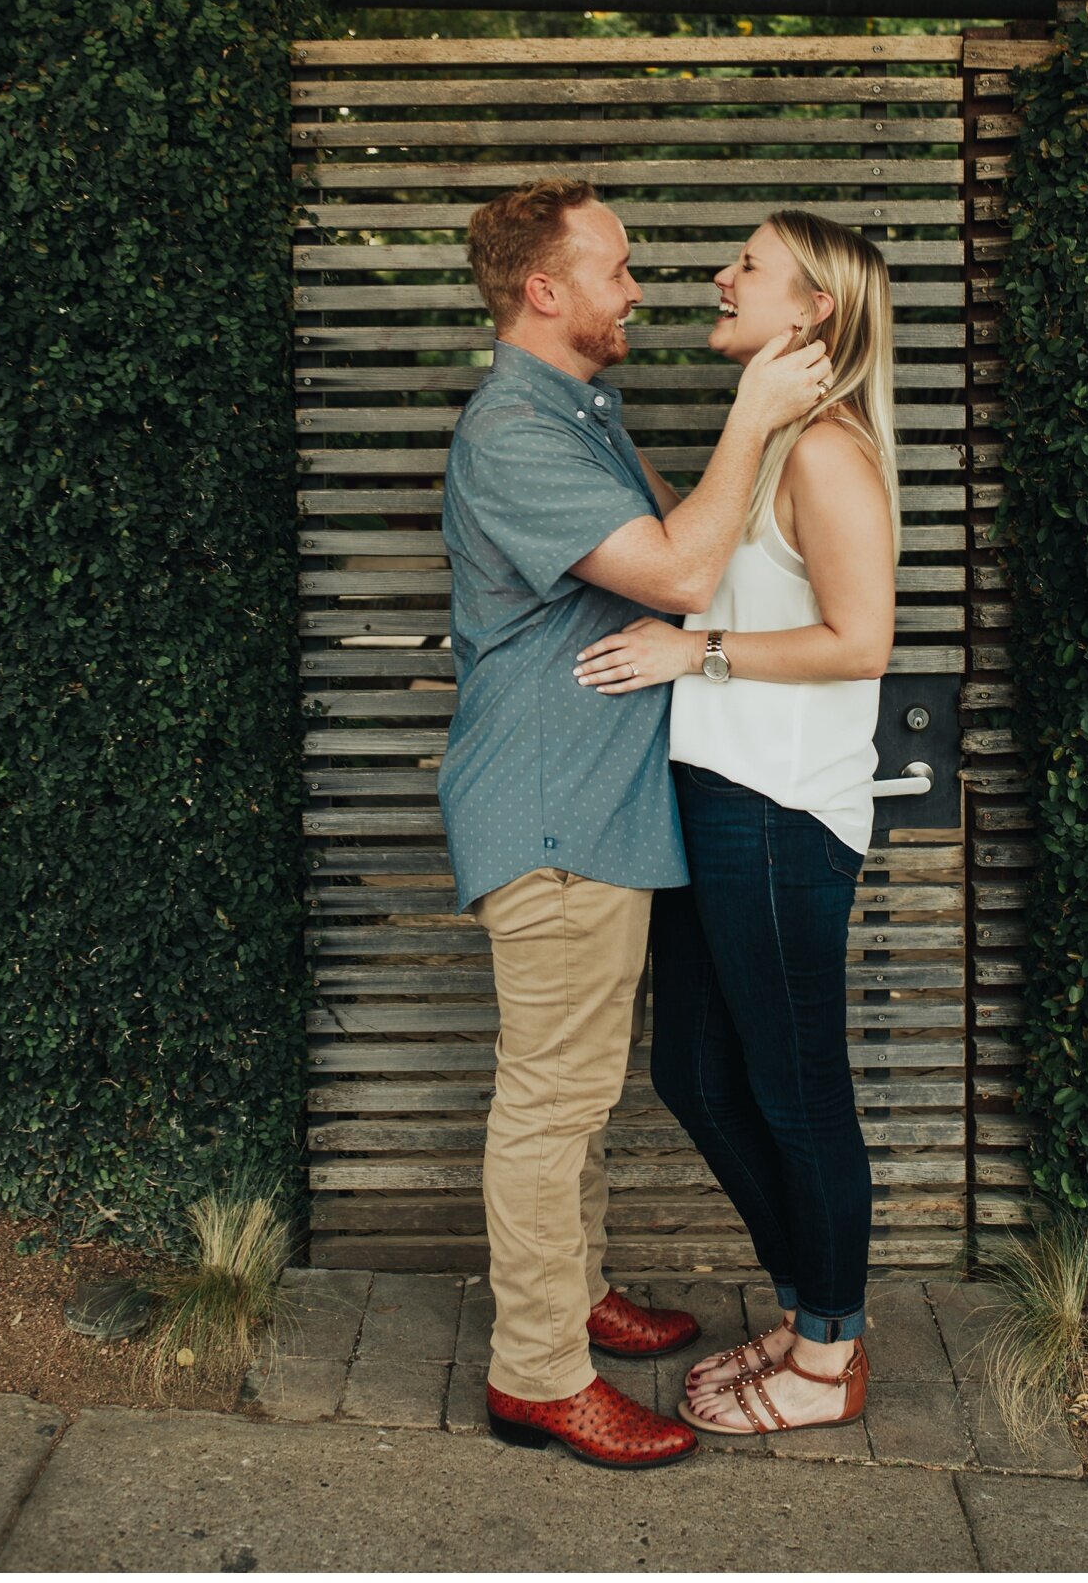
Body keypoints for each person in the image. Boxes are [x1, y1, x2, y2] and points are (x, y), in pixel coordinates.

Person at [439, 178, 832, 1469]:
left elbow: (673, 550)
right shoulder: (514, 431)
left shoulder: (579, 406)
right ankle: (539, 1374)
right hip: (553, 811)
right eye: (615, 269)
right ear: (544, 291)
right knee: (552, 1102)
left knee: (581, 1092)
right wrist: (757, 407)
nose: (640, 288)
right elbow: (675, 571)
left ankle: (573, 1290)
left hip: (598, 812)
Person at [571, 208, 898, 1440]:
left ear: (813, 310)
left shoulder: (826, 451)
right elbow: (678, 539)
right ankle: (814, 1303)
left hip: (781, 815)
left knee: (798, 1088)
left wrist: (687, 650)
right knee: (696, 1072)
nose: (718, 274)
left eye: (748, 266)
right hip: (712, 801)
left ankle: (830, 1350)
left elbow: (859, 641)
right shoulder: (764, 437)